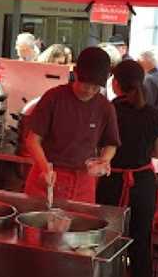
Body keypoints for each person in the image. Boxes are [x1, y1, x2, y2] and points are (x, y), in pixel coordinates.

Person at [97, 61, 158, 277]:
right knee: (141, 237)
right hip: (143, 183)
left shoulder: (107, 110)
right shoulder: (154, 114)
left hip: (110, 180)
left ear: (115, 83)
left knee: (105, 238)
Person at [25, 47, 120, 203]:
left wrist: (104, 160)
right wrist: (44, 168)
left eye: (95, 87)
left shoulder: (105, 107)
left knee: (80, 225)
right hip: (48, 174)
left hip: (83, 180)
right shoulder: (54, 98)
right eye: (85, 85)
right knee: (38, 224)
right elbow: (32, 140)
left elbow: (110, 144)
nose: (89, 91)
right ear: (75, 72)